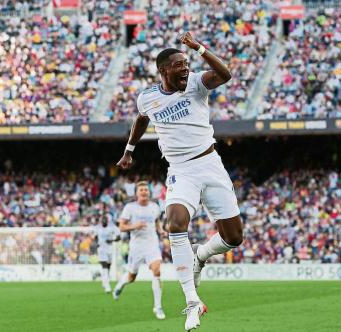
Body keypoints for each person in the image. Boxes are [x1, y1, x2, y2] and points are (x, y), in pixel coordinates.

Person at [117, 31, 244, 331]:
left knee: (233, 238)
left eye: (187, 63)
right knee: (174, 222)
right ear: (164, 70)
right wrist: (129, 151)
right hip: (180, 169)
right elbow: (142, 119)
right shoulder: (147, 97)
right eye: (178, 64)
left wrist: (199, 47)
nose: (185, 67)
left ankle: (200, 255)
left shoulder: (197, 85)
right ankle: (192, 302)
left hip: (210, 163)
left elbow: (225, 74)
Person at [113, 181, 166, 320]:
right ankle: (121, 284)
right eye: (141, 190)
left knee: (157, 271)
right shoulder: (130, 208)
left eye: (146, 190)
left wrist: (161, 231)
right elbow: (122, 227)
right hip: (136, 246)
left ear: (149, 192)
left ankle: (158, 307)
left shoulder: (155, 207)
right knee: (132, 277)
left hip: (152, 244)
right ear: (136, 193)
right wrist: (135, 226)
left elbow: (157, 222)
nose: (144, 192)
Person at [94, 213, 120, 293]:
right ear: (101, 221)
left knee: (108, 266)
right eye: (102, 220)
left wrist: (112, 240)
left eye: (105, 220)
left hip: (109, 249)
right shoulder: (97, 227)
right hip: (101, 249)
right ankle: (107, 286)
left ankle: (104, 280)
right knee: (104, 266)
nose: (104, 221)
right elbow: (95, 236)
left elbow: (119, 237)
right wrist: (97, 243)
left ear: (107, 221)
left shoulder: (112, 227)